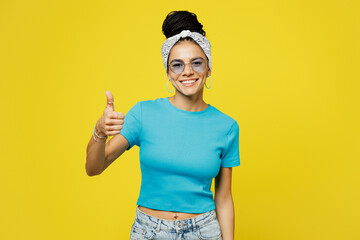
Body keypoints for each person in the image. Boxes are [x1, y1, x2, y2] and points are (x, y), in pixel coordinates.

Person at [86, 10, 240, 240]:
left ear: (209, 68)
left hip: (204, 230)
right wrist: (99, 131)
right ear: (168, 73)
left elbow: (224, 198)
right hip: (149, 231)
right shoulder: (143, 113)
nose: (187, 71)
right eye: (177, 65)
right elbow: (94, 168)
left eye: (197, 63)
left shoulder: (226, 126)